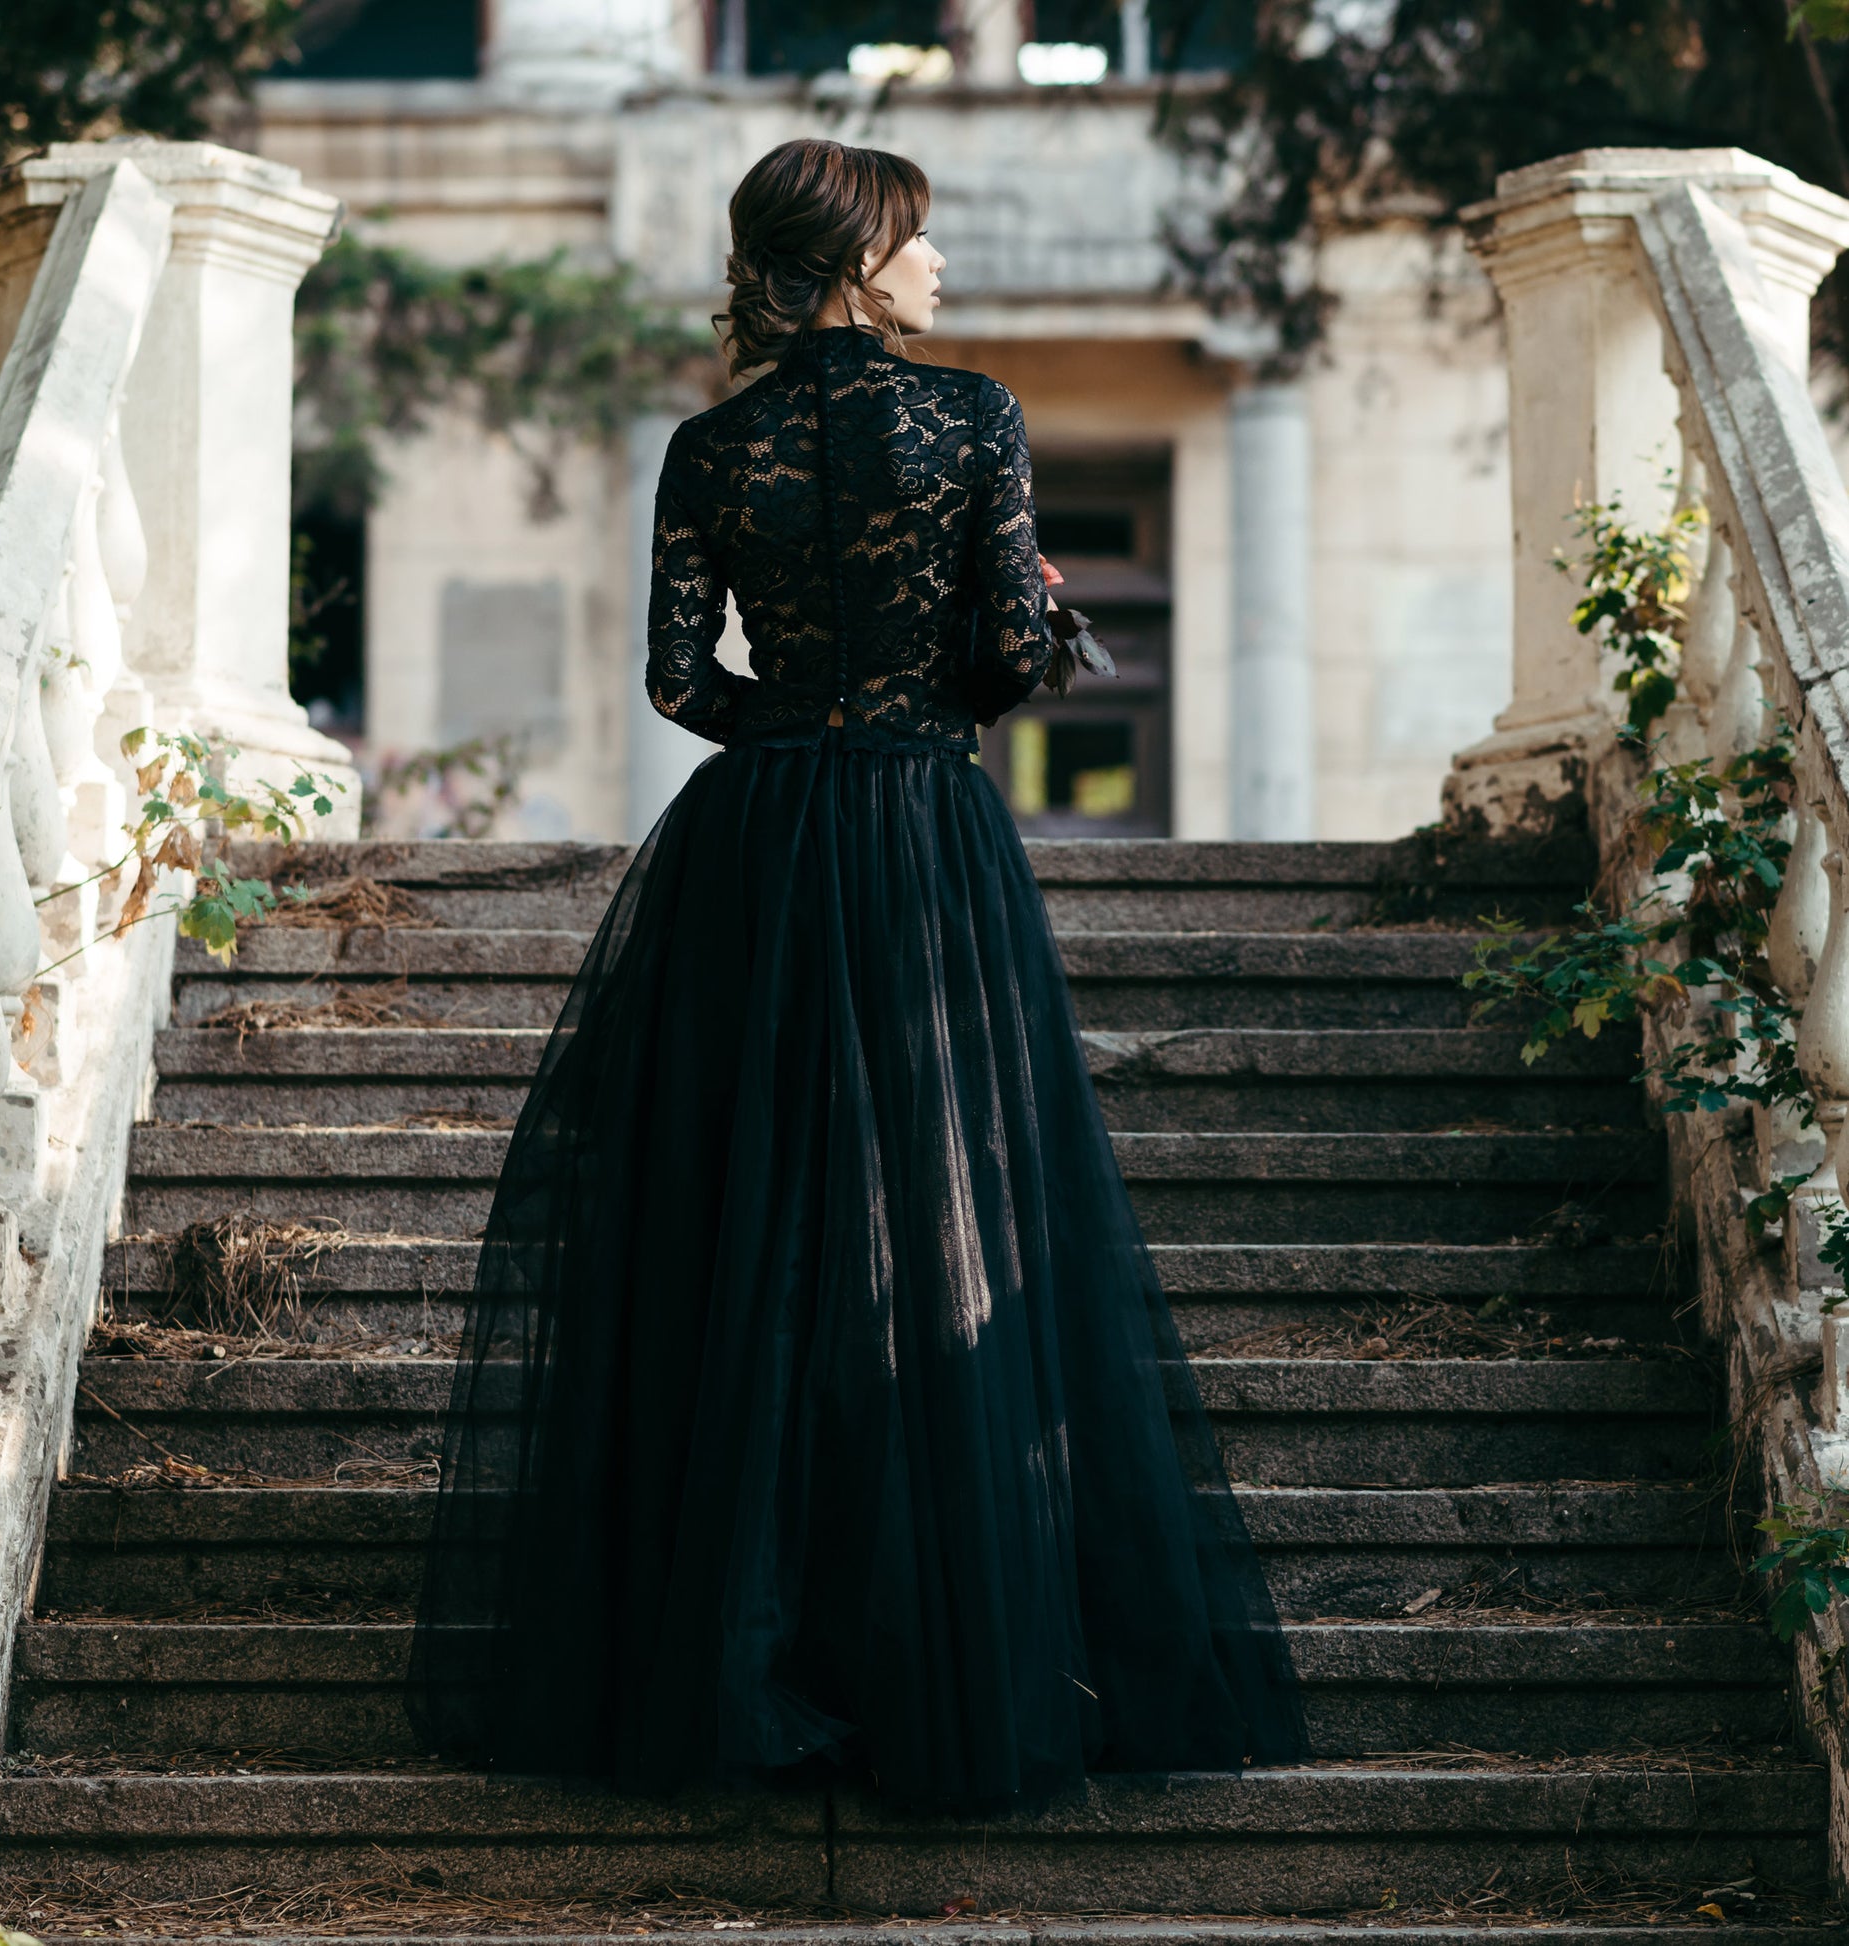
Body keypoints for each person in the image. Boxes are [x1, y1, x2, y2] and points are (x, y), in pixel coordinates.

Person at [410, 135, 1307, 1817]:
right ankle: (941, 1644)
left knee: (750, 1221)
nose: (942, 263)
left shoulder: (707, 443)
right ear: (855, 259)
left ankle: (740, 1640)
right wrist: (1021, 640)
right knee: (942, 1211)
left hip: (754, 842)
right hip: (916, 836)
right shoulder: (970, 419)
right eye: (920, 236)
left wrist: (804, 731)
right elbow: (995, 656)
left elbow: (684, 682)